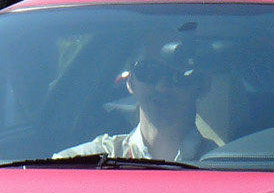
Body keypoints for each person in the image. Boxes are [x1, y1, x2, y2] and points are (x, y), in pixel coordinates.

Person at [57, 39, 214, 162]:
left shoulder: (225, 165)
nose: (162, 87)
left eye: (179, 74)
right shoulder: (92, 164)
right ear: (131, 82)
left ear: (203, 85)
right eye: (148, 71)